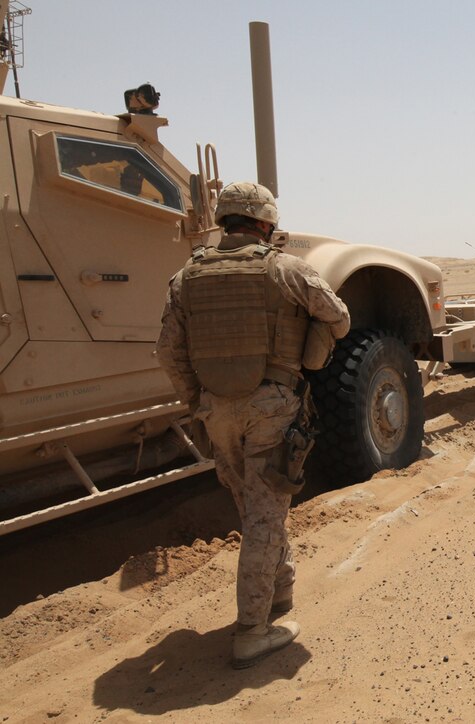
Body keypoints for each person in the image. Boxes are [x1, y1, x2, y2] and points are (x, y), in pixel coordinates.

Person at [156, 182, 350, 669]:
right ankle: (251, 632)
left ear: (225, 220)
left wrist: (197, 403)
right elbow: (339, 317)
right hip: (271, 404)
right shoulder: (284, 268)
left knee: (255, 507)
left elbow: (168, 351)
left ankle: (278, 591)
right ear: (265, 222)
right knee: (267, 514)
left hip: (214, 407)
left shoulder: (186, 278)